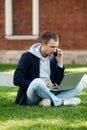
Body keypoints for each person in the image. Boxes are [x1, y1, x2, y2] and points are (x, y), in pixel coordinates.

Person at [13, 31, 83, 106]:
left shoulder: (53, 59)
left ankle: (47, 102)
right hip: (33, 95)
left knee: (79, 85)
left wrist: (60, 62)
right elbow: (17, 80)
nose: (54, 50)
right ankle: (61, 102)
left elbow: (59, 82)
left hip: (50, 91)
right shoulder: (27, 57)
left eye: (56, 47)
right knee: (37, 82)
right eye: (52, 47)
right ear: (43, 44)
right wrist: (43, 84)